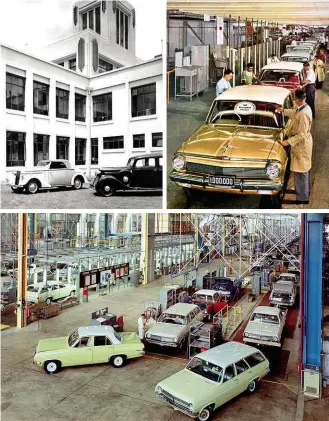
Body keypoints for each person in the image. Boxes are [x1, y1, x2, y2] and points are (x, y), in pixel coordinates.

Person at [277, 89, 313, 205]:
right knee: (299, 172)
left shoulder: (304, 113)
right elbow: (293, 112)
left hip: (301, 145)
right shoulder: (301, 108)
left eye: (294, 99)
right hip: (299, 144)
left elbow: (302, 134)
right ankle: (301, 193)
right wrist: (282, 110)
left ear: (297, 99)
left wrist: (288, 142)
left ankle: (303, 198)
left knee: (302, 172)